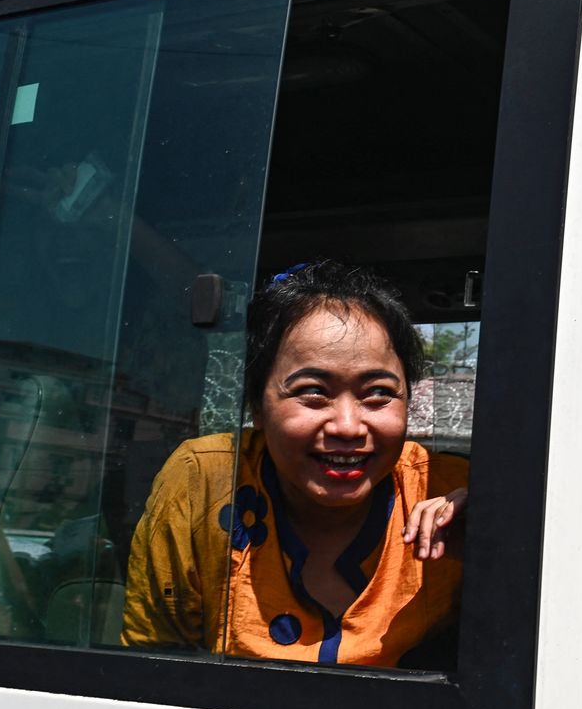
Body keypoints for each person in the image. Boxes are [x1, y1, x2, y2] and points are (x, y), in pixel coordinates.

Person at [122, 260, 468, 666]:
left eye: (378, 393)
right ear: (257, 406)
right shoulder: (207, 481)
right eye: (313, 392)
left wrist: (498, 541)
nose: (348, 426)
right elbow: (151, 663)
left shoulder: (448, 492)